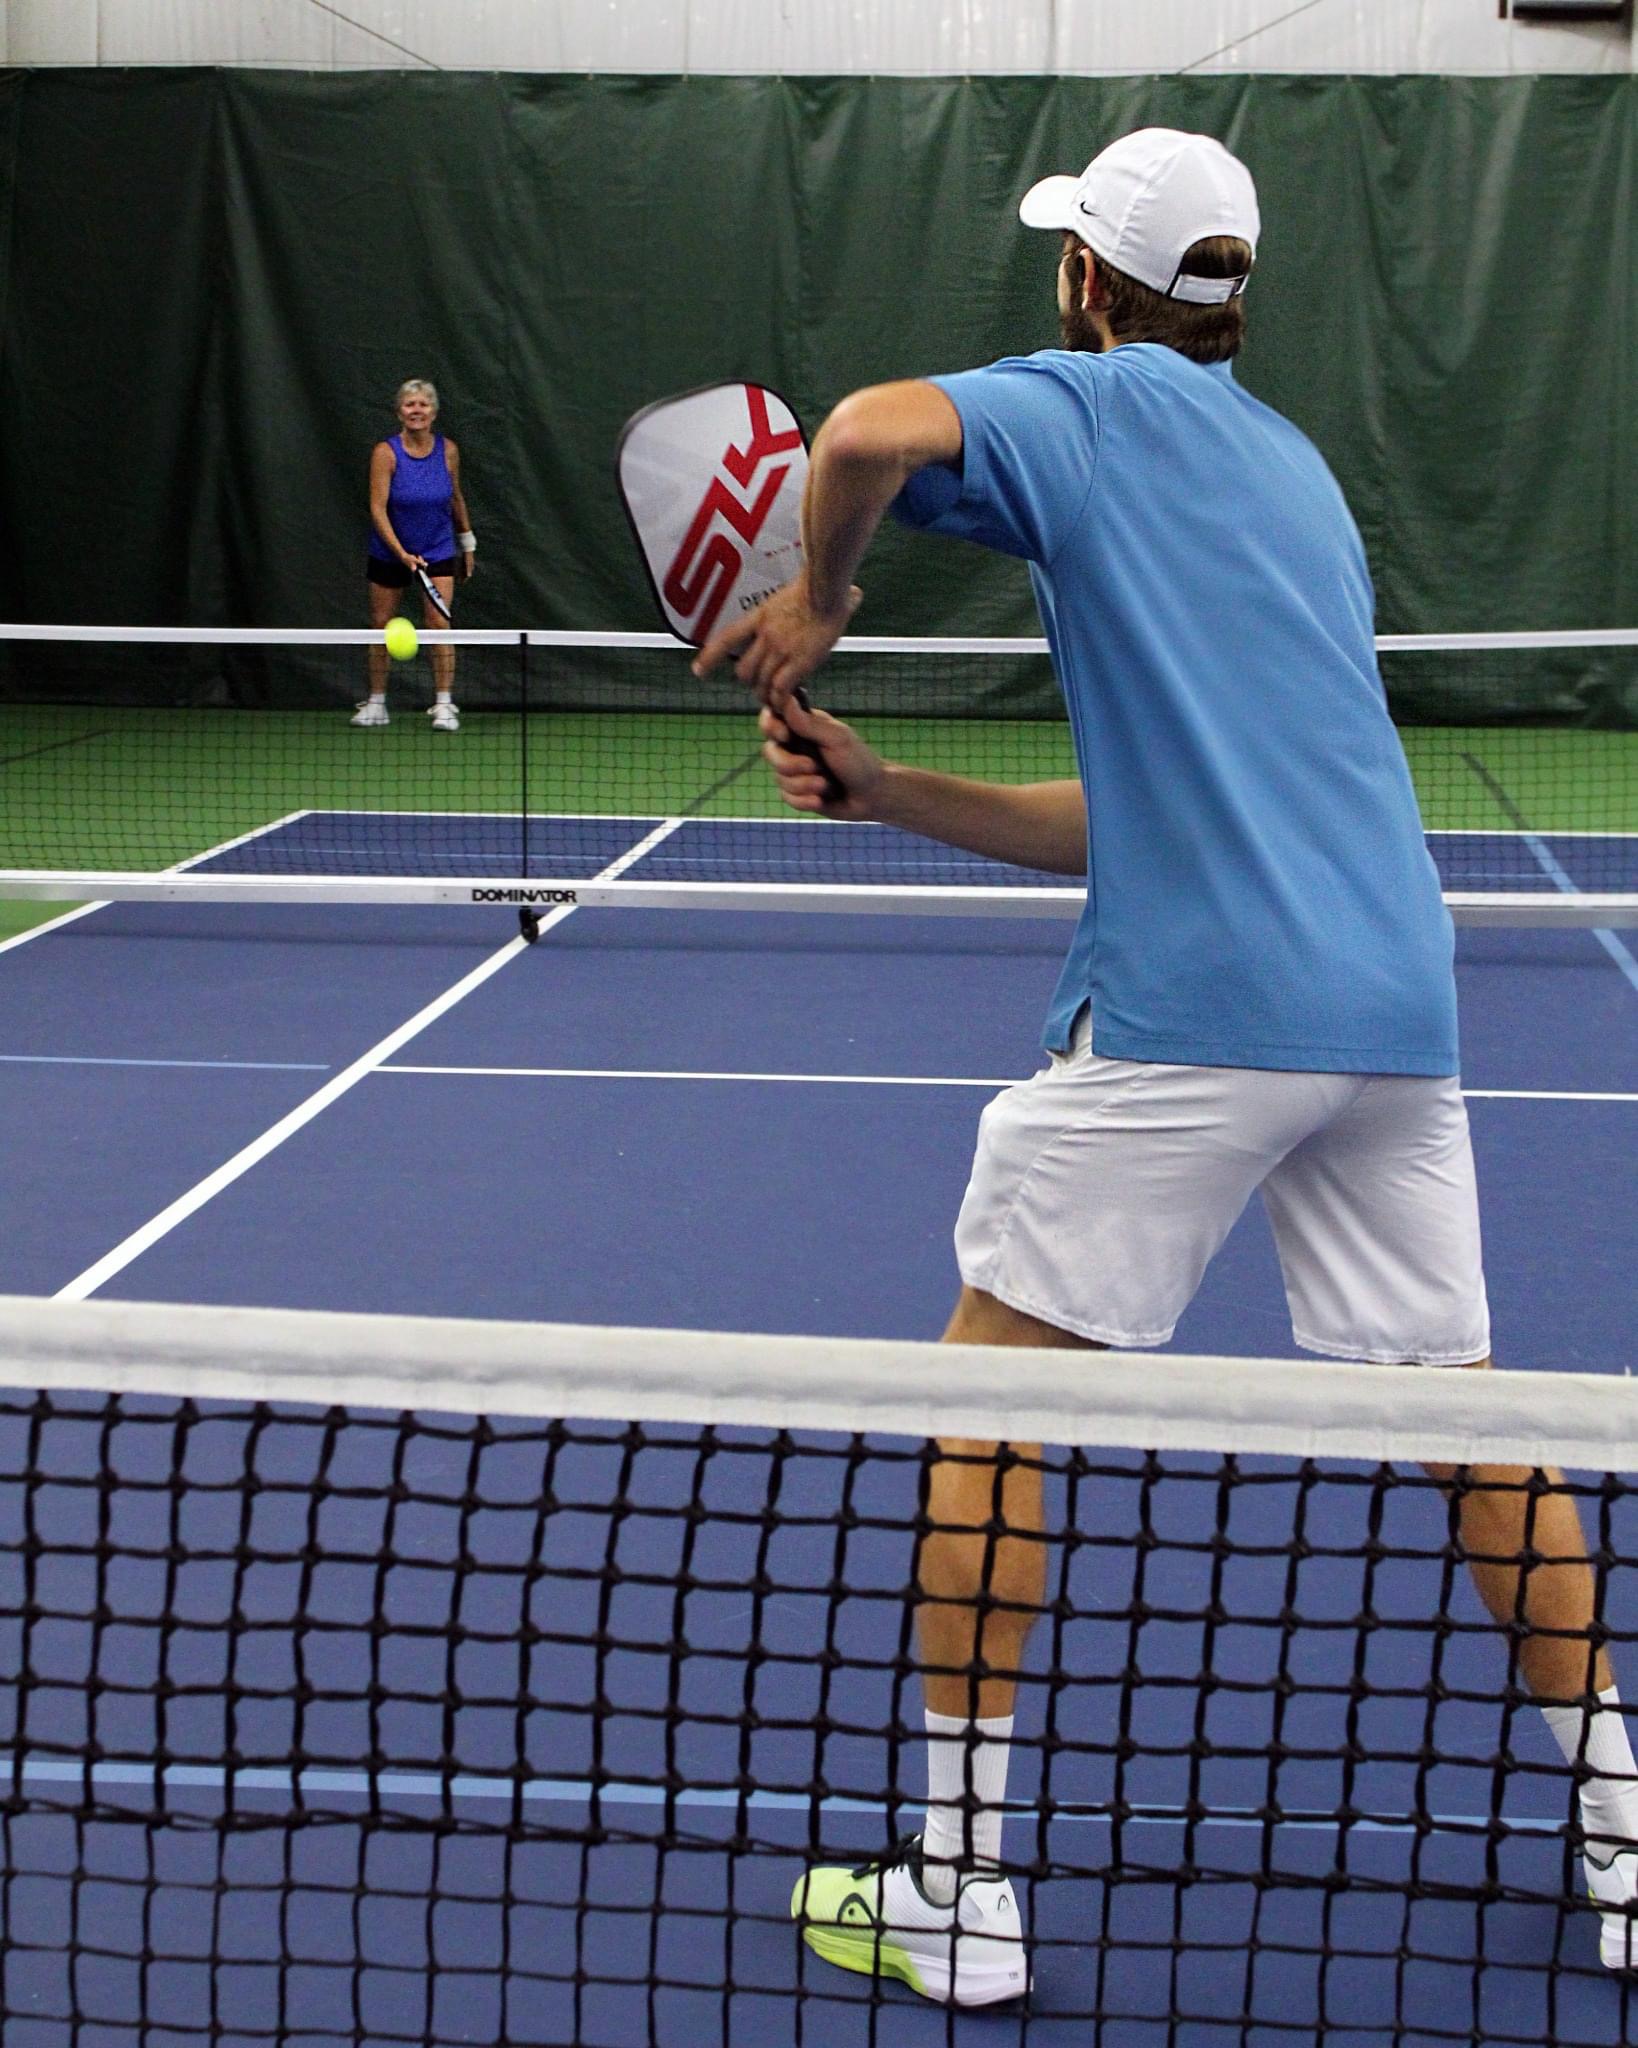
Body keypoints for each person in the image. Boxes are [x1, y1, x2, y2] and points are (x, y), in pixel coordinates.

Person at [697, 128, 1637, 2002]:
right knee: (1468, 1422)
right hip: (1389, 1002)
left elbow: (864, 432)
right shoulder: (1293, 477)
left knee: (985, 1407)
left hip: (1197, 1010)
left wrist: (816, 603)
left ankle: (954, 1886)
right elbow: (1143, 813)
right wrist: (889, 790)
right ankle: (1631, 1834)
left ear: (1088, 284)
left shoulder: (1090, 403)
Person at [354, 378, 476, 732]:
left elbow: (455, 498)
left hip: (438, 547)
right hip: (390, 550)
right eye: (410, 405)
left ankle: (443, 704)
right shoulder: (386, 453)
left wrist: (466, 542)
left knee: (440, 624)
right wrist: (401, 553)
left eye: (423, 404)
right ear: (399, 412)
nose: (416, 411)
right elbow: (377, 509)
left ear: (434, 412)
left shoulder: (448, 450)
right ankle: (376, 703)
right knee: (380, 626)